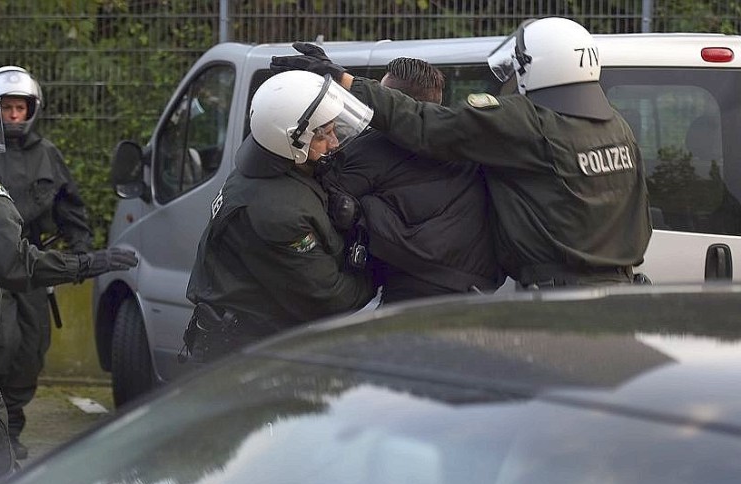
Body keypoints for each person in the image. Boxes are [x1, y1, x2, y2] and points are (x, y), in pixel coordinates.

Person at [271, 17, 652, 288]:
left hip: (560, 301)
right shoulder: (617, 127)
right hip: (621, 294)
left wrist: (345, 81)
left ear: (533, 67)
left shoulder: (529, 123)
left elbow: (425, 124)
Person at [0, 67, 137, 484]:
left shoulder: (11, 161)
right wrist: (87, 263)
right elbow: (10, 261)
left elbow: (67, 207)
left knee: (29, 350)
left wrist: (79, 244)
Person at [183, 70, 375, 362]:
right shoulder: (279, 213)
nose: (335, 143)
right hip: (245, 358)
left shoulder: (270, 169)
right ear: (291, 140)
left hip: (253, 345)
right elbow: (329, 298)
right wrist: (380, 271)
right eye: (325, 134)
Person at [322, 57, 503, 303]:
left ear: (388, 104)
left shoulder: (374, 147)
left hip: (414, 293)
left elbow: (326, 198)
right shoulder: (465, 142)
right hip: (480, 291)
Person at [0, 65, 94, 460]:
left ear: (33, 110)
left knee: (31, 348)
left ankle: (12, 427)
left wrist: (83, 251)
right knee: (0, 343)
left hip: (34, 266)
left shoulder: (48, 155)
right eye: (6, 108)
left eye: (20, 108)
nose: (14, 116)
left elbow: (70, 207)